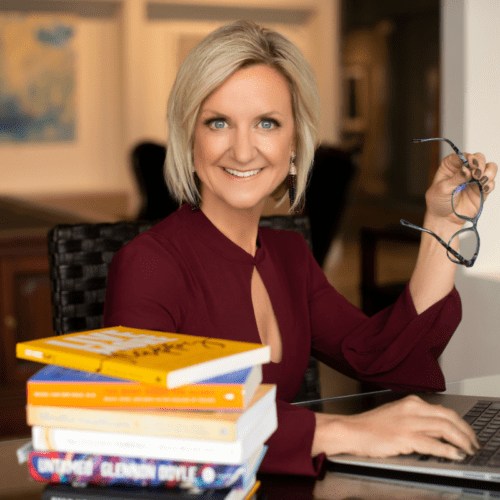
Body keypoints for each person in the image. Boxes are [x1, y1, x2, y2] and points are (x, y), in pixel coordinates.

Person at [103, 20, 497, 476]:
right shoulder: (147, 266)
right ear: (190, 138)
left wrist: (444, 224)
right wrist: (343, 431)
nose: (243, 150)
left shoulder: (289, 255)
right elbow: (151, 418)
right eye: (218, 123)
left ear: (293, 144)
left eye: (267, 123)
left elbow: (381, 354)